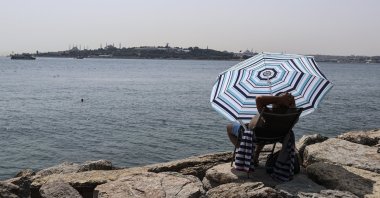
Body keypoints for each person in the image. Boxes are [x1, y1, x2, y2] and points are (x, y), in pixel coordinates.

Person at [227, 92, 296, 166]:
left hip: (255, 135)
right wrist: (292, 103)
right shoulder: (292, 116)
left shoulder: (270, 116)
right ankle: (256, 155)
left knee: (229, 127)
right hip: (272, 136)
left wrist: (279, 99)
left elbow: (259, 99)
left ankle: (246, 153)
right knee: (263, 129)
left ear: (276, 103)